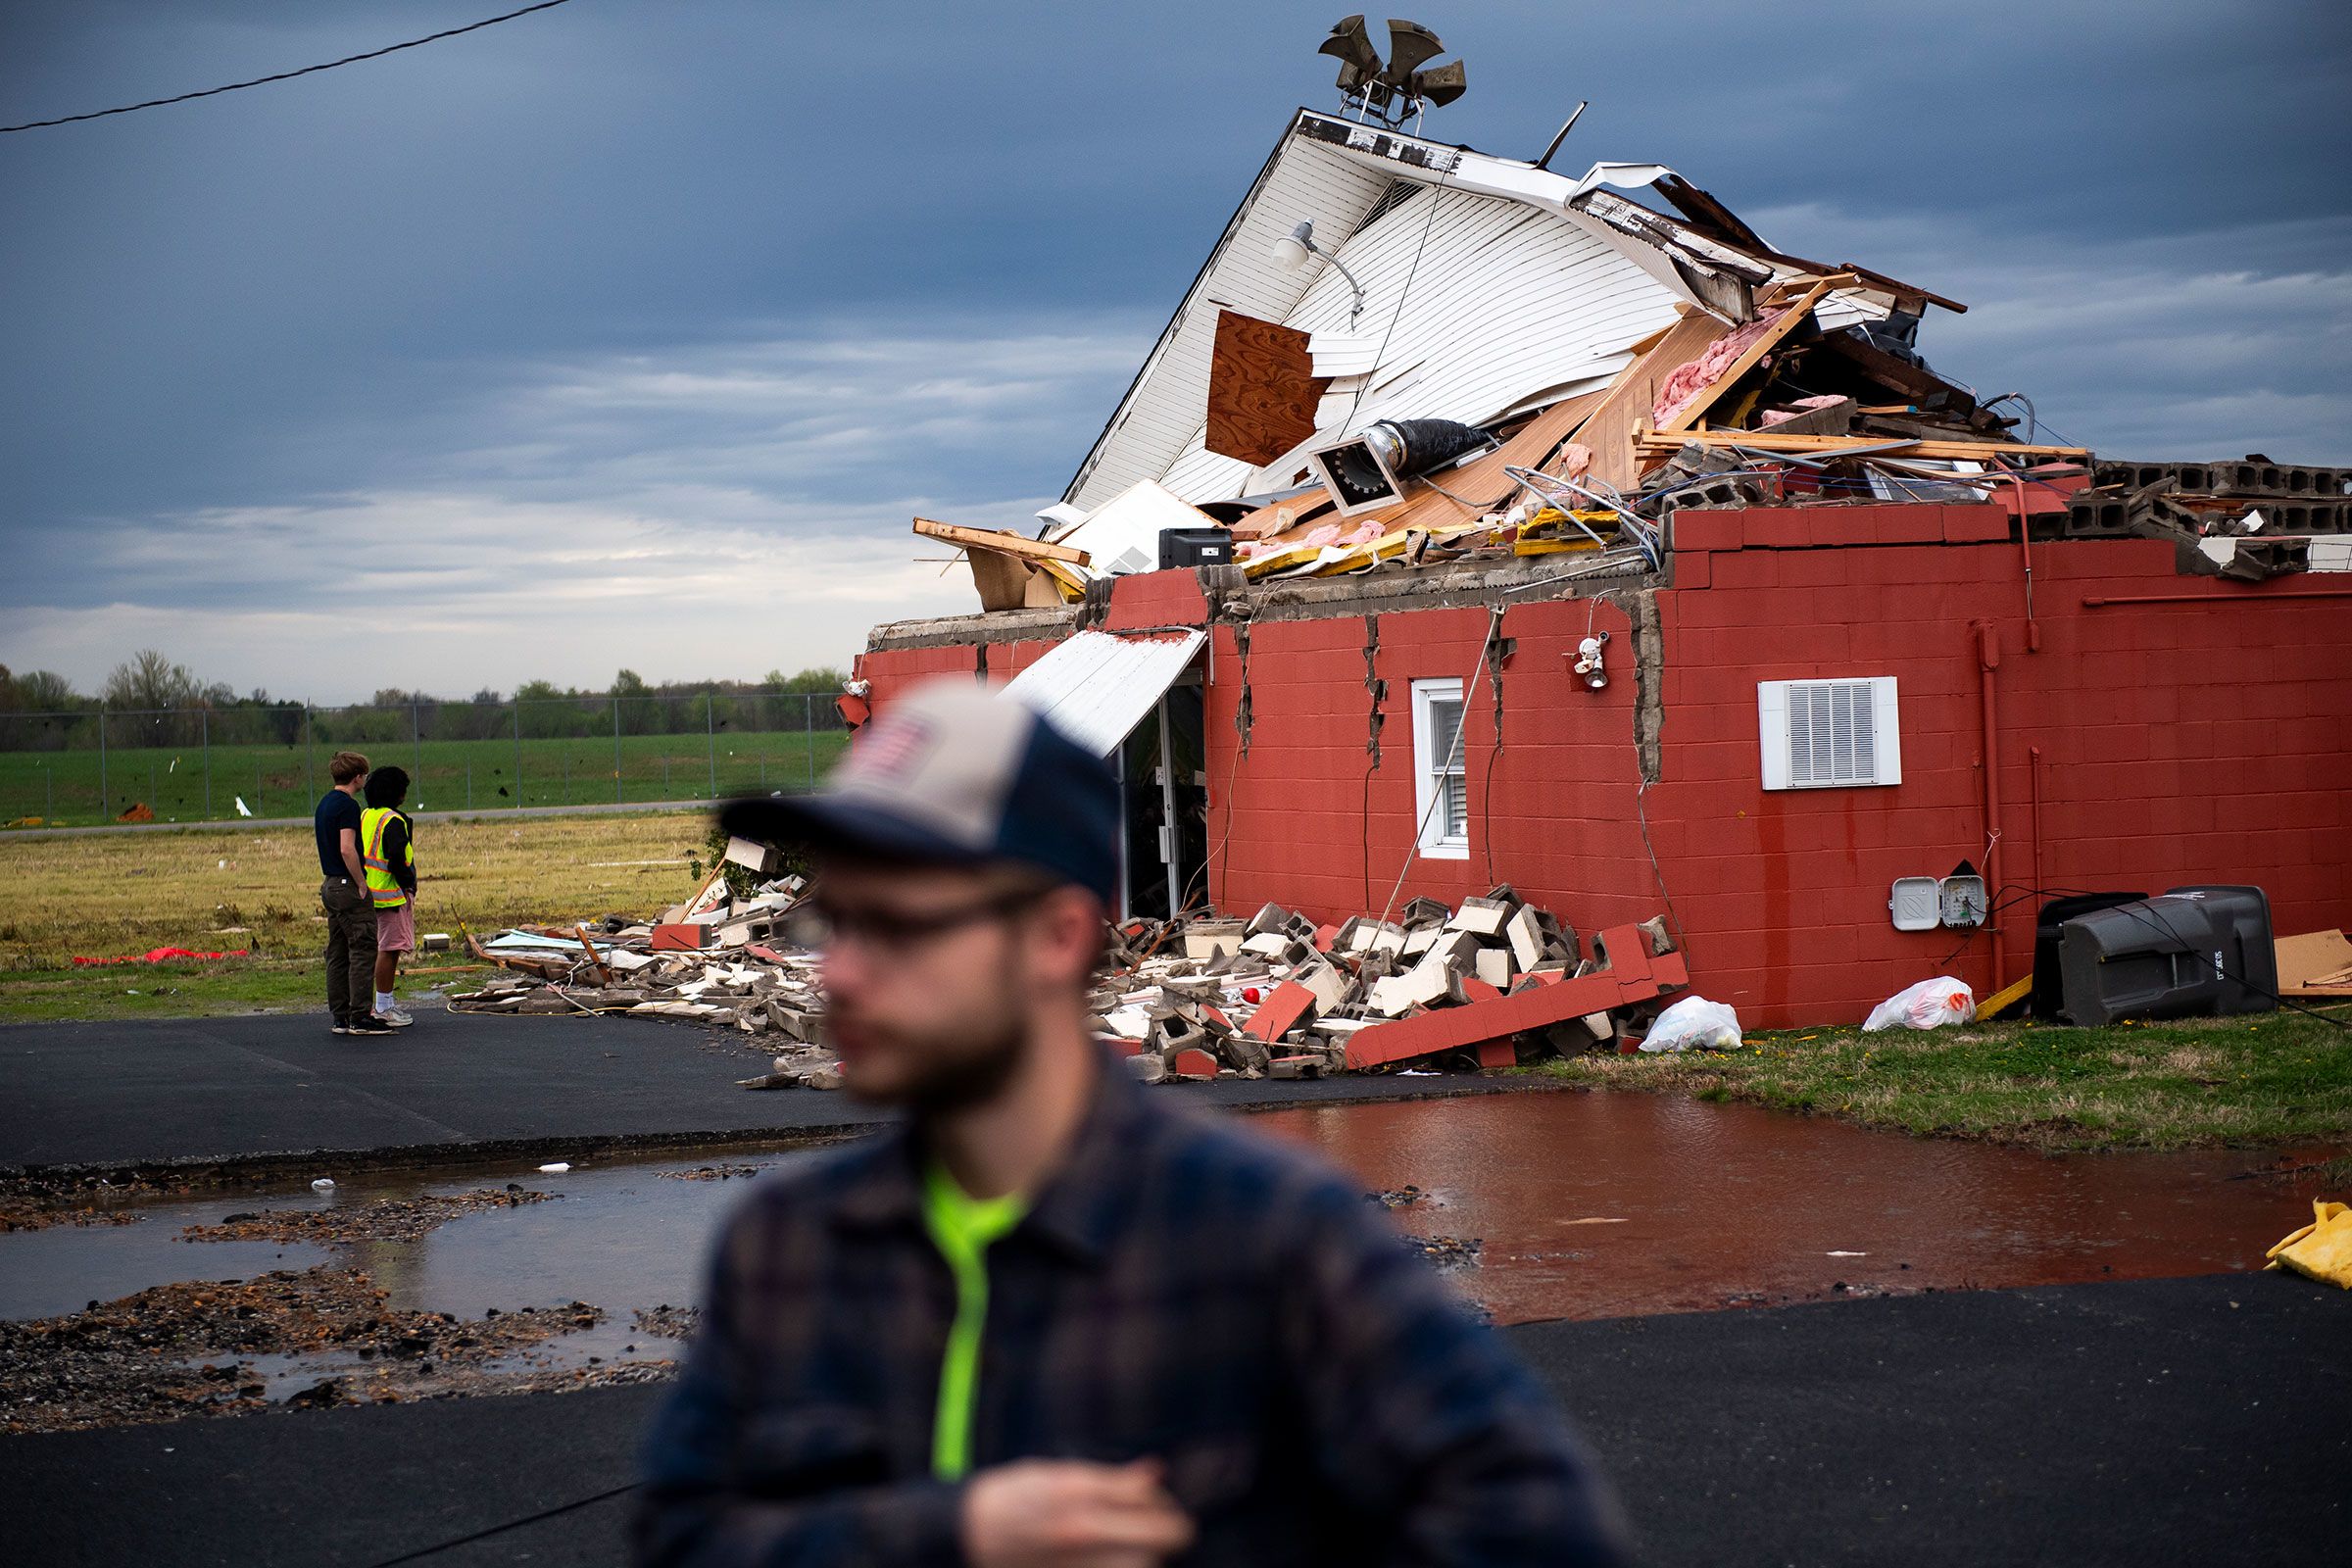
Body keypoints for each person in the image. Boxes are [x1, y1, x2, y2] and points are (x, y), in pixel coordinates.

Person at [634, 679, 1627, 1567]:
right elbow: (683, 1537)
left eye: (898, 922)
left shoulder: (1267, 1237)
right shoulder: (788, 1253)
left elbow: (1542, 1534)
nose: (840, 971)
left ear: (1057, 937)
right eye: (834, 920)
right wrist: (956, 1535)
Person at [314, 751, 390, 1037]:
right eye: (364, 774)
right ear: (357, 776)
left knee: (337, 952)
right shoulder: (348, 806)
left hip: (329, 884)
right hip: (346, 885)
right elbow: (347, 848)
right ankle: (360, 1016)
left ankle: (340, 1017)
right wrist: (361, 882)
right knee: (363, 947)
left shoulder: (324, 804)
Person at [361, 765, 417, 1030]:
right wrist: (409, 882)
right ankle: (383, 1007)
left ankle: (378, 1003)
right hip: (391, 897)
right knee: (389, 950)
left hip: (369, 894)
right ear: (397, 793)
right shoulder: (393, 821)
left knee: (380, 949)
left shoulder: (366, 816)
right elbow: (396, 858)